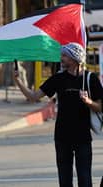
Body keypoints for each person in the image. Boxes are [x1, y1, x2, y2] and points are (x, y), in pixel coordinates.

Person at [13, 42, 103, 187]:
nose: (61, 58)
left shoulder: (90, 79)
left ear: (74, 59)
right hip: (62, 137)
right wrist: (18, 81)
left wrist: (88, 101)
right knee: (64, 181)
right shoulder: (58, 78)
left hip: (83, 138)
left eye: (65, 56)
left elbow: (100, 107)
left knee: (85, 180)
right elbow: (33, 96)